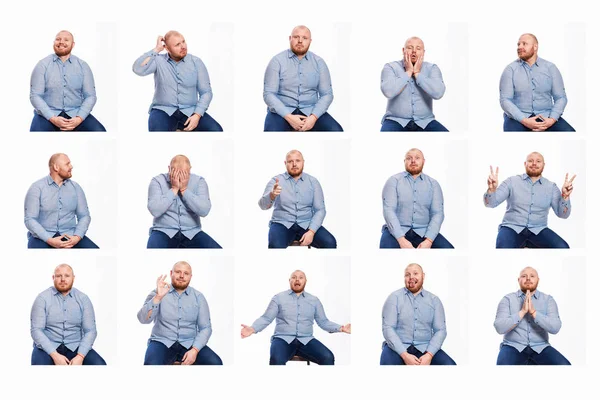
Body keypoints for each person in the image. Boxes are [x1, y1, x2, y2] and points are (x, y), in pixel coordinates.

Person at [240, 270, 350, 365]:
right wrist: (253, 328)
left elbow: (323, 322)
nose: (297, 279)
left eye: (301, 277)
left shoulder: (314, 300)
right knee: (276, 359)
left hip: (306, 340)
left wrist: (341, 328)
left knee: (328, 357)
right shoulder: (278, 298)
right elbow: (266, 318)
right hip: (282, 339)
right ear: (289, 281)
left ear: (305, 281)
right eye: (294, 277)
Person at [132, 30, 223, 131]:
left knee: (216, 130)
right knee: (157, 136)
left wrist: (197, 115)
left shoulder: (196, 62)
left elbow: (206, 92)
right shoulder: (158, 60)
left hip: (190, 110)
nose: (183, 46)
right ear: (167, 48)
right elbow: (138, 69)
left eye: (183, 42)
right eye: (177, 44)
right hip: (163, 110)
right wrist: (156, 49)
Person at [137, 261, 223, 365]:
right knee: (151, 364)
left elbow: (205, 327)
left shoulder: (198, 297)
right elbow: (143, 319)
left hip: (190, 343)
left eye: (186, 273)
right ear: (171, 273)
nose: (182, 276)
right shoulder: (157, 292)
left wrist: (195, 350)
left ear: (191, 276)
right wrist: (158, 297)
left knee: (216, 363)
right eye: (178, 272)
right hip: (162, 342)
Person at [484, 152, 575, 248]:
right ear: (525, 164)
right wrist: (491, 190)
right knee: (503, 249)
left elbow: (563, 215)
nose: (534, 163)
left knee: (563, 247)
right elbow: (491, 204)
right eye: (530, 161)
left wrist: (565, 197)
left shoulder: (551, 187)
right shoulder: (511, 181)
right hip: (511, 228)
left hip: (539, 230)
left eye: (538, 161)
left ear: (543, 165)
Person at [263, 25, 343, 131]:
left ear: (310, 41)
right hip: (281, 112)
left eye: (304, 38)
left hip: (311, 110)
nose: (300, 41)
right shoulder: (277, 61)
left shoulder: (319, 63)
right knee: (271, 134)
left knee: (337, 130)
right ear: (290, 38)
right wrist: (288, 117)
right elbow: (269, 94)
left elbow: (327, 94)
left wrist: (313, 117)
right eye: (296, 37)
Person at [380, 263, 456, 365]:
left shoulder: (434, 301)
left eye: (415, 273)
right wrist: (405, 355)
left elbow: (440, 330)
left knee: (450, 365)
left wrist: (429, 355)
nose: (411, 277)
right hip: (396, 347)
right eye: (407, 275)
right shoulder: (394, 298)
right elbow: (388, 328)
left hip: (426, 347)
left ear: (423, 276)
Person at [258, 149, 336, 248]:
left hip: (307, 223)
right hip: (281, 223)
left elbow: (320, 209)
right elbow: (262, 205)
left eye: (298, 161)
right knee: (275, 245)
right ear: (285, 163)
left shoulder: (313, 181)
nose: (294, 164)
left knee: (330, 243)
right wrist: (272, 195)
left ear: (303, 162)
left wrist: (311, 231)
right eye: (290, 161)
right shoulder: (276, 180)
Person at [30, 30, 106, 131]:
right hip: (47, 115)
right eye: (58, 39)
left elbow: (90, 96)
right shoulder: (42, 65)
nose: (61, 42)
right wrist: (52, 118)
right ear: (54, 43)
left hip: (76, 113)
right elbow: (35, 96)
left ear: (73, 44)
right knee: (35, 140)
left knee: (100, 132)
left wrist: (79, 118)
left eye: (66, 40)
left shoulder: (83, 66)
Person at [30, 264, 106, 365]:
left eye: (67, 276)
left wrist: (80, 356)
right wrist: (54, 355)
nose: (62, 279)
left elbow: (90, 331)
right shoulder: (42, 298)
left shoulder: (83, 299)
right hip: (47, 347)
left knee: (100, 364)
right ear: (53, 278)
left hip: (76, 346)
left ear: (73, 278)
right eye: (58, 276)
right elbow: (36, 330)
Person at [494, 267, 571, 365]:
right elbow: (499, 327)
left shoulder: (548, 300)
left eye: (532, 276)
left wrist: (534, 313)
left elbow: (555, 327)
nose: (528, 279)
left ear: (538, 280)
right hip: (512, 346)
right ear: (518, 280)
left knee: (565, 365)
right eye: (524, 276)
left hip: (541, 347)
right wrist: (522, 312)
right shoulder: (507, 299)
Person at [500, 33, 575, 131]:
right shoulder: (510, 70)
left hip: (546, 116)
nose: (520, 47)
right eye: (518, 44)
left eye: (524, 44)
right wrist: (524, 120)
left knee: (570, 134)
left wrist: (551, 120)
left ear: (535, 47)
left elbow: (561, 97)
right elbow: (505, 100)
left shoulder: (550, 68)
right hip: (518, 117)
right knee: (513, 141)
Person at [380, 148, 453, 248]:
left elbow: (438, 213)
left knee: (448, 249)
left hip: (425, 231)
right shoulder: (393, 181)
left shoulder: (433, 184)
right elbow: (389, 210)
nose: (413, 161)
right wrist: (401, 239)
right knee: (386, 251)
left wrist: (429, 240)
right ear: (404, 161)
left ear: (423, 161)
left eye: (417, 158)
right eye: (409, 158)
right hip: (395, 231)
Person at [24, 153, 98, 248]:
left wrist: (77, 237)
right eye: (67, 164)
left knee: (94, 249)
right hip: (42, 237)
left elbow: (84, 216)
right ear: (56, 167)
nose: (71, 166)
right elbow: (30, 219)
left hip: (71, 236)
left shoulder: (76, 188)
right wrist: (49, 240)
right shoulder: (36, 188)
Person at [147, 155, 221, 248]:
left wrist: (184, 190)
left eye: (184, 173)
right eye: (176, 172)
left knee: (217, 250)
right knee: (152, 250)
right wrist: (174, 189)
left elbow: (204, 210)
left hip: (192, 232)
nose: (180, 178)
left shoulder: (199, 181)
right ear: (169, 169)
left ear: (190, 169)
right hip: (163, 231)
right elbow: (155, 210)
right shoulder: (157, 181)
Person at [380, 37, 447, 131]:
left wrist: (417, 74)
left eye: (418, 48)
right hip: (395, 120)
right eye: (410, 47)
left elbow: (438, 93)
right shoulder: (390, 67)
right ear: (403, 50)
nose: (414, 51)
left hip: (426, 121)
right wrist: (408, 72)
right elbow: (388, 92)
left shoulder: (432, 68)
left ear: (423, 52)